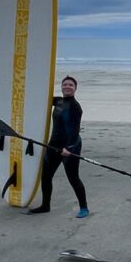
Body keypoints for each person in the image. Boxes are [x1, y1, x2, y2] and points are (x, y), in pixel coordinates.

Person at [29, 76, 89, 217]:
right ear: (61, 87)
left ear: (75, 88)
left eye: (71, 85)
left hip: (70, 147)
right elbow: (41, 98)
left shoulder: (75, 107)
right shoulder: (58, 101)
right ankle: (45, 205)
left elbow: (75, 129)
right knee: (46, 176)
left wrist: (69, 147)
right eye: (65, 84)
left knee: (73, 178)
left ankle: (84, 208)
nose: (67, 87)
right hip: (53, 145)